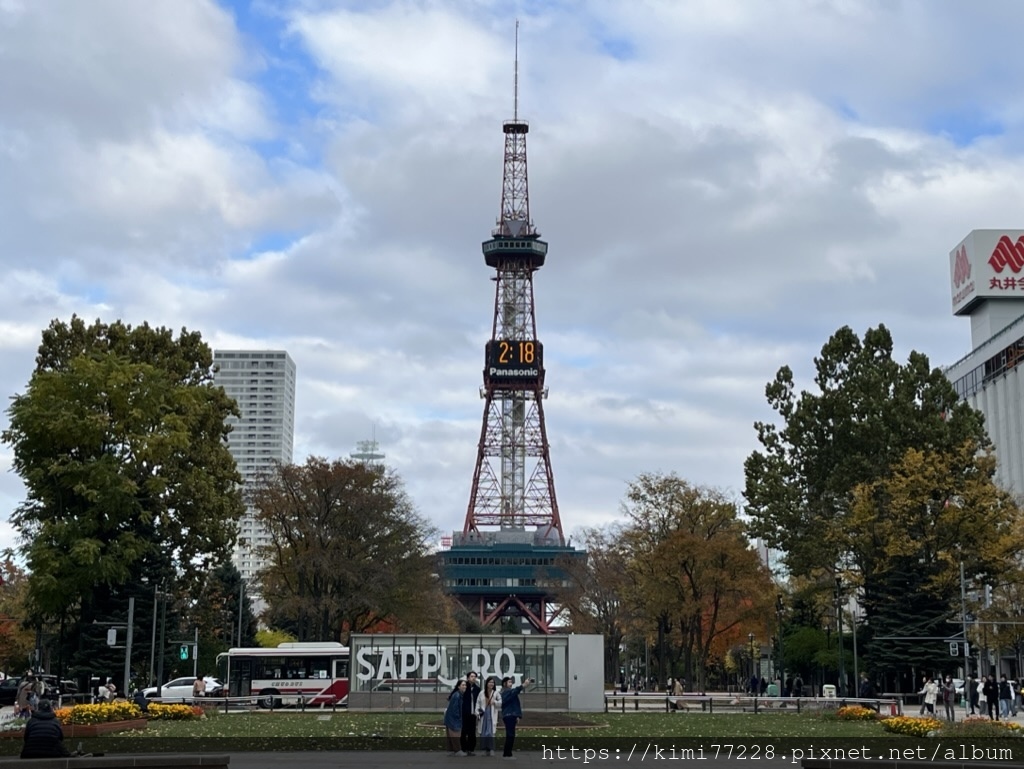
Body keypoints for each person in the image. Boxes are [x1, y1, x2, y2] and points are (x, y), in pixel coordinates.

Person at [500, 676, 533, 760]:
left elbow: (514, 704)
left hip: (511, 715)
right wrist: (523, 685)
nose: (511, 684)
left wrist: (517, 716)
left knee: (511, 735)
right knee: (510, 735)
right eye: (509, 682)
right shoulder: (506, 692)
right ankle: (507, 754)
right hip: (509, 715)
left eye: (511, 682)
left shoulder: (509, 692)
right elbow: (515, 691)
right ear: (505, 684)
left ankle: (507, 753)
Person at [476, 677, 502, 757]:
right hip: (484, 715)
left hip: (491, 715)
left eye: (492, 683)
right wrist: (477, 712)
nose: (491, 684)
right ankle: (484, 749)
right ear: (486, 683)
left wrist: (494, 702)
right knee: (483, 733)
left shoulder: (496, 693)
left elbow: (501, 702)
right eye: (490, 682)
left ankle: (491, 749)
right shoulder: (481, 693)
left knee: (490, 733)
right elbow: (478, 703)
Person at [460, 671, 481, 756]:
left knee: (472, 732)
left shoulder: (477, 689)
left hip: (473, 713)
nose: (473, 678)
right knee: (463, 731)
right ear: (468, 678)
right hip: (465, 713)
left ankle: (471, 749)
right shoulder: (464, 687)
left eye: (475, 677)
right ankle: (463, 748)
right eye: (472, 676)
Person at [444, 680, 466, 756]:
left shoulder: (458, 694)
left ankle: (453, 750)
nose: (464, 686)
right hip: (453, 718)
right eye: (463, 685)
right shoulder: (457, 695)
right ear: (458, 686)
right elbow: (455, 708)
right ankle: (457, 750)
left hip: (450, 718)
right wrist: (459, 717)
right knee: (455, 734)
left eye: (465, 685)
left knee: (452, 735)